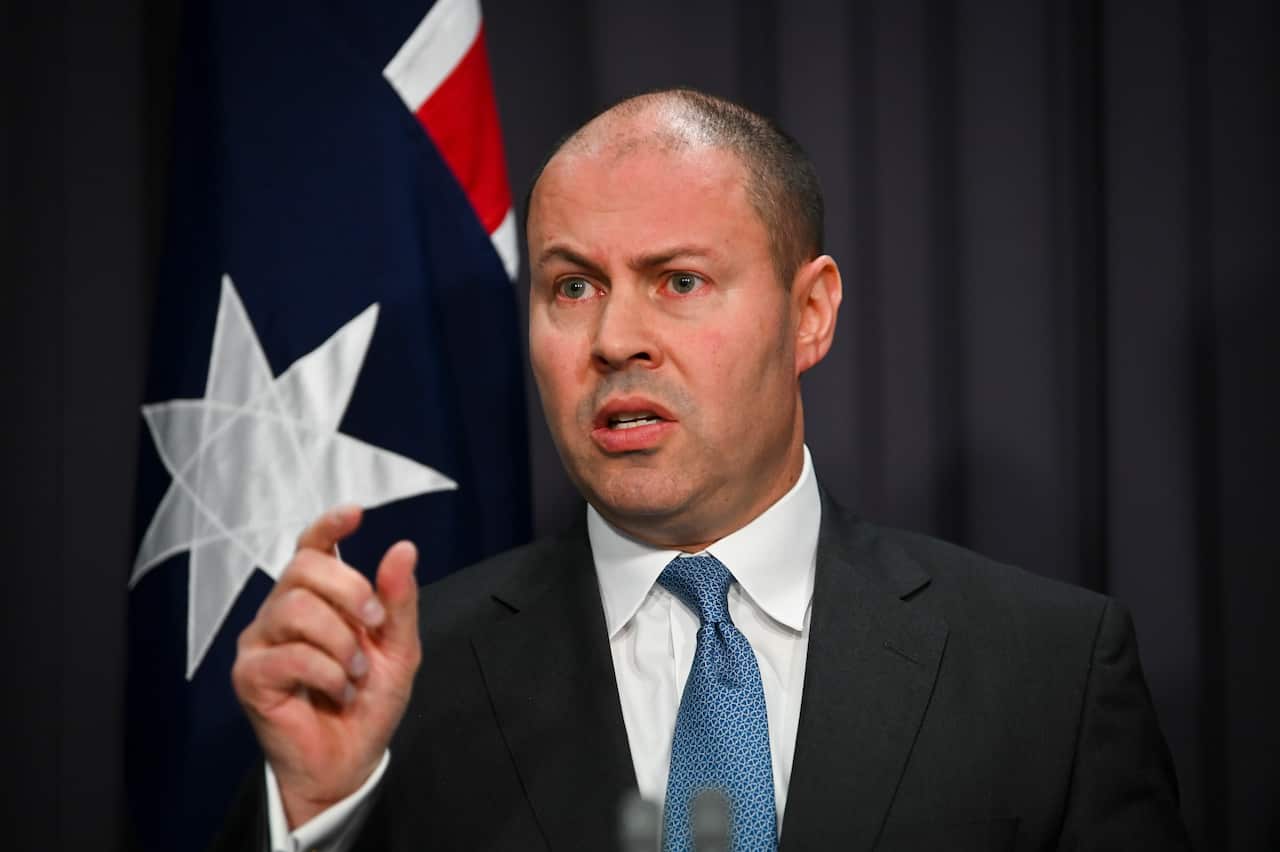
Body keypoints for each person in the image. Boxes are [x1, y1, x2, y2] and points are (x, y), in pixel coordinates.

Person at [215, 88, 1189, 851]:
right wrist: (315, 812)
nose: (613, 338)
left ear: (808, 314)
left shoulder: (1047, 671)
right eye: (571, 286)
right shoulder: (391, 687)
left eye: (677, 281)